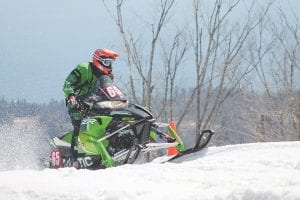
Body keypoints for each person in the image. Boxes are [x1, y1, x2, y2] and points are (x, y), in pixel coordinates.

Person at [63, 48, 119, 166]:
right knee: (80, 126)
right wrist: (71, 95)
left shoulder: (108, 76)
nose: (110, 66)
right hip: (77, 102)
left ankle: (112, 150)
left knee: (111, 122)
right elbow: (68, 83)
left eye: (111, 63)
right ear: (99, 61)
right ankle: (75, 159)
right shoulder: (84, 69)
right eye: (107, 62)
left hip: (95, 103)